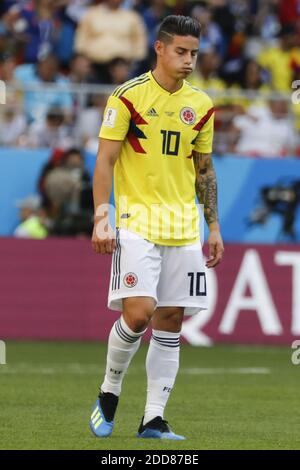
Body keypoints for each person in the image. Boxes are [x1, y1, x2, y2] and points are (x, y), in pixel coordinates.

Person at [90, 15, 224, 440]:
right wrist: (101, 215)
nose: (189, 60)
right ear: (160, 49)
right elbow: (106, 159)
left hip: (184, 226)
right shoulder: (127, 97)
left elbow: (204, 170)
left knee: (170, 319)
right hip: (136, 222)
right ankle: (109, 390)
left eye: (195, 54)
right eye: (181, 51)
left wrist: (214, 226)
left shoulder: (201, 105)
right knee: (140, 313)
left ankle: (153, 418)